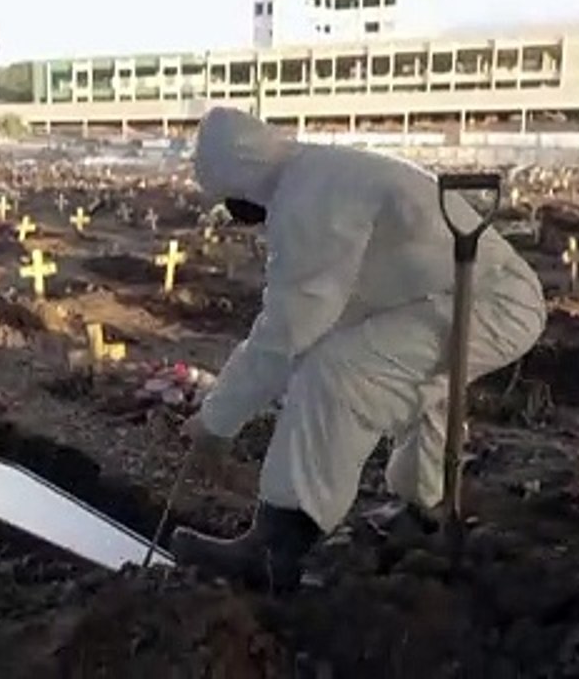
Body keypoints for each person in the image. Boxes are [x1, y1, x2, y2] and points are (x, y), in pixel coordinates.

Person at [170, 107, 546, 590]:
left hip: (491, 302)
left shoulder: (309, 195)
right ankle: (423, 508)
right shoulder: (315, 173)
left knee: (337, 374)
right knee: (398, 374)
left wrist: (218, 420)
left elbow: (288, 328)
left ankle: (276, 546)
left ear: (238, 177)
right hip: (458, 293)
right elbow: (320, 316)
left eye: (227, 195)